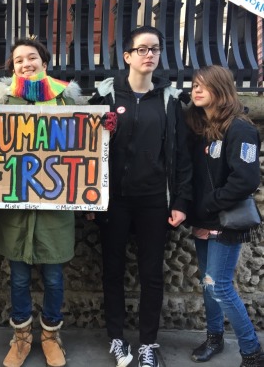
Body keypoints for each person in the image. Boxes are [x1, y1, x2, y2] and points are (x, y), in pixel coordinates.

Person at [87, 25, 192, 367]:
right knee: (112, 271)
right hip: (113, 201)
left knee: (151, 274)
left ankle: (148, 343)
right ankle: (117, 339)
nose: (150, 55)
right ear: (128, 56)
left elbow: (182, 157)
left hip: (153, 201)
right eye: (143, 49)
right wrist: (88, 199)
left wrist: (179, 202)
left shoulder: (170, 101)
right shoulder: (104, 98)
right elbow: (84, 151)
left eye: (155, 49)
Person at [0, 37, 84, 367]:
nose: (26, 63)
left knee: (55, 279)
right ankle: (21, 338)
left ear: (45, 62)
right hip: (16, 210)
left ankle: (50, 336)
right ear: (12, 68)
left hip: (54, 210)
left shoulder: (66, 99)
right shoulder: (1, 103)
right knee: (17, 279)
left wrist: (102, 130)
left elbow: (83, 146)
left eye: (32, 57)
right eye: (18, 60)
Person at [184, 65, 264, 367]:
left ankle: (252, 351)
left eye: (204, 85)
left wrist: (210, 203)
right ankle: (214, 338)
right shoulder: (202, 125)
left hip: (226, 220)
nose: (196, 90)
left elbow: (246, 180)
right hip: (205, 219)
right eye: (194, 85)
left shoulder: (240, 128)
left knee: (219, 285)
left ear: (222, 89)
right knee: (208, 284)